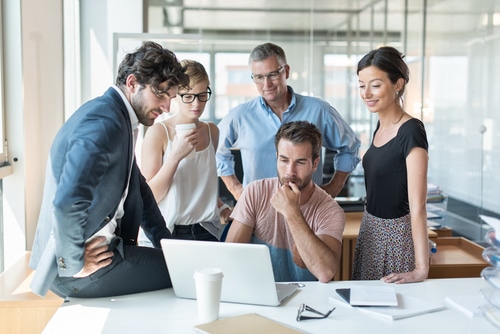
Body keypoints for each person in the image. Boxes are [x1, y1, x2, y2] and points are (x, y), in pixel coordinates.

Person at [29, 41, 189, 298]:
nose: (167, 107)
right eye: (160, 94)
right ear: (132, 82)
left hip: (103, 254)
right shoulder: (106, 122)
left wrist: (167, 245)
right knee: (189, 271)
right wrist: (73, 263)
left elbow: (139, 190)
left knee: (182, 263)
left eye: (171, 98)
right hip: (82, 271)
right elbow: (69, 200)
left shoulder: (119, 118)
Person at [216, 42, 361, 201]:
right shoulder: (240, 116)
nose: (267, 84)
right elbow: (216, 150)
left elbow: (350, 146)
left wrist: (334, 187)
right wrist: (236, 189)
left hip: (308, 210)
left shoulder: (319, 110)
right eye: (259, 77)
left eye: (272, 74)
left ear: (286, 71)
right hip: (257, 213)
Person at [225, 121, 345, 283]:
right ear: (276, 157)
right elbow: (230, 256)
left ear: (315, 164)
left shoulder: (330, 211)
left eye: (300, 162)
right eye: (284, 160)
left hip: (308, 300)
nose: (290, 172)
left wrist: (292, 212)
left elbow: (325, 273)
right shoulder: (255, 192)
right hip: (259, 293)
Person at [352, 46, 429, 284]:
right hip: (370, 231)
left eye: (375, 85)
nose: (366, 93)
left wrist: (421, 269)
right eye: (361, 85)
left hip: (397, 237)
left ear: (398, 84)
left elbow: (418, 207)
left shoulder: (411, 131)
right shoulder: (379, 128)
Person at [140, 60, 229, 241]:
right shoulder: (159, 133)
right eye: (188, 96)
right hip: (170, 231)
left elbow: (200, 185)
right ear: (175, 95)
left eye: (202, 95)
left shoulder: (212, 131)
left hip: (208, 230)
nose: (196, 103)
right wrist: (175, 156)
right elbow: (149, 197)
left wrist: (222, 207)